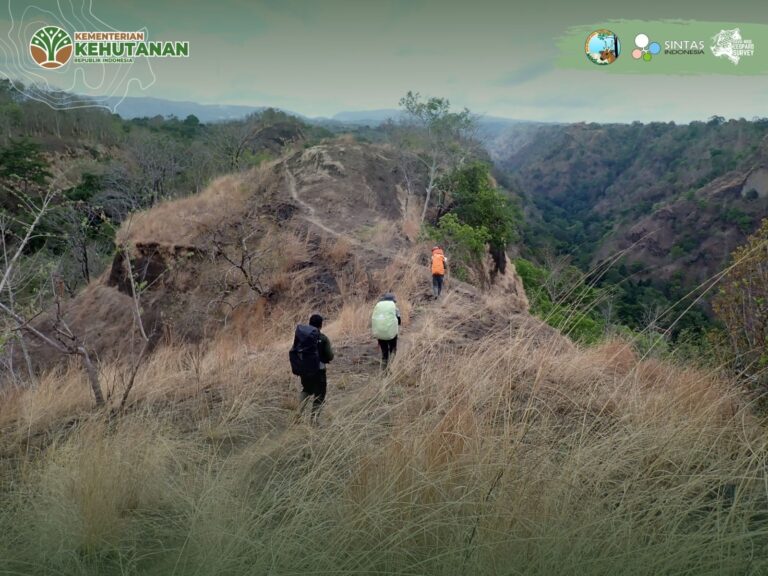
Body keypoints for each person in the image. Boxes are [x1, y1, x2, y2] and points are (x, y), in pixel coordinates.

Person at [290, 313, 334, 424]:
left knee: (306, 390)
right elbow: (330, 356)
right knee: (319, 395)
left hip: (305, 370)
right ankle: (314, 421)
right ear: (321, 325)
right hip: (319, 371)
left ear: (309, 323)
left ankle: (298, 414)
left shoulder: (302, 336)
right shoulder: (323, 338)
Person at [371, 293, 401, 368]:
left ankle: (383, 367)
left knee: (384, 352)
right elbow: (399, 321)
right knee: (393, 350)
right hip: (391, 334)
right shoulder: (395, 309)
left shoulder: (378, 308)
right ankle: (391, 367)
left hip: (380, 333)